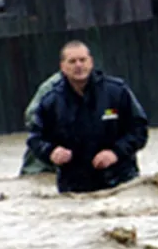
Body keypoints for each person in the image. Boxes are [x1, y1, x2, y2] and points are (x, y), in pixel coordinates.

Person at [27, 40, 150, 194]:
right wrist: (51, 152)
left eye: (82, 60)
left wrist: (115, 153)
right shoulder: (50, 102)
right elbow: (35, 138)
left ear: (91, 62)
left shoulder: (117, 92)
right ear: (63, 67)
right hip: (74, 190)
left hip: (121, 183)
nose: (78, 65)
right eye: (72, 61)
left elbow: (139, 130)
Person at [18, 72, 63, 176]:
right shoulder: (53, 86)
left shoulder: (98, 85)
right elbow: (32, 115)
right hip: (43, 164)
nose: (79, 65)